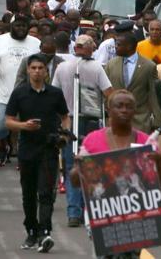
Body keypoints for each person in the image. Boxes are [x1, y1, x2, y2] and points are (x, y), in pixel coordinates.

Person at [69, 91, 161, 256]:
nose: (124, 110)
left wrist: (158, 162)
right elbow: (74, 182)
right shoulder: (93, 140)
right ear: (109, 110)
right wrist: (79, 167)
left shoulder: (146, 142)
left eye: (129, 107)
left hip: (135, 221)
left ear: (135, 111)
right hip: (101, 218)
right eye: (119, 106)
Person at [5, 53, 70, 253]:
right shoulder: (20, 93)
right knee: (28, 194)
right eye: (33, 68)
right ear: (27, 70)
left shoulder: (55, 93)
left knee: (45, 192)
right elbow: (8, 120)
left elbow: (65, 116)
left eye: (40, 68)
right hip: (27, 149)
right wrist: (24, 125)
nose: (37, 71)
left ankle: (45, 232)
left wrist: (64, 134)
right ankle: (31, 231)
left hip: (49, 149)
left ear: (46, 71)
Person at [51, 34, 113, 227]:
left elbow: (54, 94)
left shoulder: (62, 67)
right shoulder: (96, 68)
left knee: (71, 166)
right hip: (90, 121)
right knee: (91, 165)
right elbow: (109, 94)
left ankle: (73, 212)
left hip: (67, 120)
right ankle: (89, 211)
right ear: (89, 48)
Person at [0, 15, 41, 165]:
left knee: (26, 128)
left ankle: (23, 156)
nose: (21, 28)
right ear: (11, 26)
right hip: (4, 93)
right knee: (2, 125)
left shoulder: (36, 43)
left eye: (24, 26)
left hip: (28, 94)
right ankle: (2, 144)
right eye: (17, 25)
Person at [105, 33, 161, 133]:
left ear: (129, 46)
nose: (115, 48)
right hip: (115, 121)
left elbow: (154, 94)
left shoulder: (149, 66)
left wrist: (158, 120)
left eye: (118, 45)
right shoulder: (111, 64)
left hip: (140, 121)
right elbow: (106, 90)